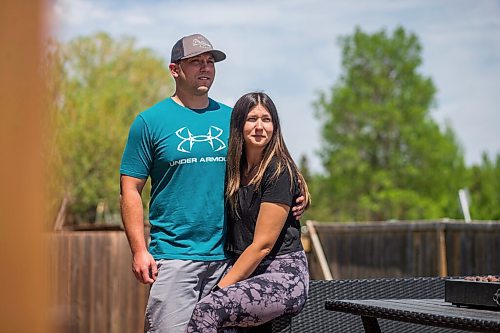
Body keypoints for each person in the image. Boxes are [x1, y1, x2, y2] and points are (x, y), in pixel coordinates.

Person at [120, 34, 305, 333]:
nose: (205, 68)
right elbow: (129, 189)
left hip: (230, 259)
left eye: (210, 62)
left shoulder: (233, 119)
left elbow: (270, 160)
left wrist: (299, 188)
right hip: (175, 256)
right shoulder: (149, 122)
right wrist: (139, 250)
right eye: (195, 62)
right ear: (174, 69)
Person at [186, 92, 311, 332]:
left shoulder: (278, 171)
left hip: (283, 275)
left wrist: (222, 288)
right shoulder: (234, 169)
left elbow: (262, 245)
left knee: (208, 310)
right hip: (247, 270)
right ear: (239, 125)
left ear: (275, 126)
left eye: (266, 119)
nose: (259, 127)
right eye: (252, 119)